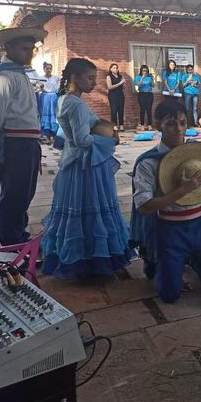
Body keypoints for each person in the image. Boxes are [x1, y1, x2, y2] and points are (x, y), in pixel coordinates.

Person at [41, 58, 131, 278]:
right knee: (92, 208)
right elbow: (81, 139)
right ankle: (92, 260)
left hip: (72, 164)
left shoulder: (64, 99)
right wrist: (110, 140)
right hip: (85, 165)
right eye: (89, 78)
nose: (93, 83)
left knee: (76, 211)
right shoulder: (77, 104)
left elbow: (70, 134)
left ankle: (77, 256)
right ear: (74, 77)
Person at [130, 100, 201, 302]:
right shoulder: (148, 162)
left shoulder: (198, 153)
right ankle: (160, 263)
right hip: (170, 229)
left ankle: (190, 261)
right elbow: (144, 206)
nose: (178, 129)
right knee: (169, 295)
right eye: (171, 124)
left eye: (183, 123)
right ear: (158, 125)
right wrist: (181, 191)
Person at [0, 27, 46, 245]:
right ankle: (11, 243)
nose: (29, 53)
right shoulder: (3, 76)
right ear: (8, 48)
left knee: (24, 193)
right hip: (15, 142)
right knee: (14, 194)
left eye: (32, 49)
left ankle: (19, 236)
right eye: (24, 48)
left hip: (27, 141)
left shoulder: (18, 73)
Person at [37, 62, 60, 140]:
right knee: (45, 115)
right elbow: (39, 88)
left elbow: (59, 87)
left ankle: (54, 135)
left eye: (50, 68)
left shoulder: (56, 78)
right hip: (45, 98)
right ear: (44, 69)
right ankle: (46, 136)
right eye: (47, 68)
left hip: (53, 98)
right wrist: (42, 88)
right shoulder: (40, 78)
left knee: (54, 115)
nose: (49, 70)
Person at [106, 63, 126, 130]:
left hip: (120, 94)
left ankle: (121, 125)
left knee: (121, 110)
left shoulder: (120, 76)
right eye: (114, 68)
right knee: (114, 110)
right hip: (113, 95)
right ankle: (114, 125)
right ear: (111, 69)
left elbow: (124, 87)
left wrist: (124, 83)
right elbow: (110, 87)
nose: (116, 69)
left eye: (117, 68)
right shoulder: (109, 76)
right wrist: (120, 83)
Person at [134, 65, 154, 130]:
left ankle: (149, 124)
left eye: (146, 70)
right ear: (141, 71)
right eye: (143, 70)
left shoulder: (149, 77)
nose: (145, 72)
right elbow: (138, 85)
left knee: (149, 110)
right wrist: (142, 78)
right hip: (142, 94)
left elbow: (153, 85)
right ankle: (142, 124)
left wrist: (152, 79)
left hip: (149, 94)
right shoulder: (138, 77)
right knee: (142, 109)